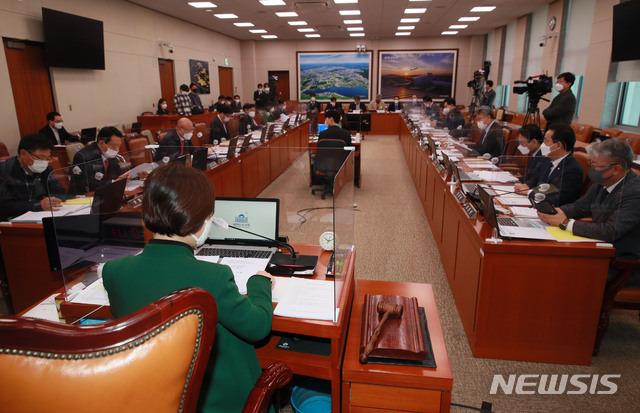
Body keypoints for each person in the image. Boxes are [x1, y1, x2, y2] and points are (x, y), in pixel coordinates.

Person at [102, 162, 273, 413]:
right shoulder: (213, 276)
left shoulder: (113, 272)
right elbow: (258, 327)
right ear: (202, 219)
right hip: (215, 400)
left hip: (152, 392)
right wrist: (259, 283)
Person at [538, 139, 640, 287]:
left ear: (616, 169)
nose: (591, 169)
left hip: (621, 264)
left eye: (595, 165)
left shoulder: (634, 193)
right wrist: (554, 212)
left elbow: (610, 231)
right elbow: (582, 207)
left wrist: (565, 223)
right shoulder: (605, 180)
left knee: (563, 273)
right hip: (599, 252)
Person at [0, 133, 66, 221]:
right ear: (23, 153)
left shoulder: (46, 169)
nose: (44, 162)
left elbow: (60, 192)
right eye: (41, 157)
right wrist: (38, 205)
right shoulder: (4, 171)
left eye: (47, 158)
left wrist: (55, 199)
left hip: (43, 217)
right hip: (11, 222)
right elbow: (4, 205)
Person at [514, 124, 583, 206]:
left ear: (558, 145)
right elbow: (538, 178)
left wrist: (530, 192)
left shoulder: (572, 169)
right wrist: (527, 185)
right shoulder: (549, 160)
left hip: (553, 211)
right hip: (537, 204)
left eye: (546, 141)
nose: (542, 144)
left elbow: (558, 197)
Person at [70, 126, 129, 195]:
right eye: (114, 146)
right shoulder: (84, 156)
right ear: (101, 143)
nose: (116, 150)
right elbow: (90, 182)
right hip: (84, 197)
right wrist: (113, 182)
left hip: (106, 192)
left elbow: (116, 172)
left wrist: (124, 177)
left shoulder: (109, 154)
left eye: (119, 146)